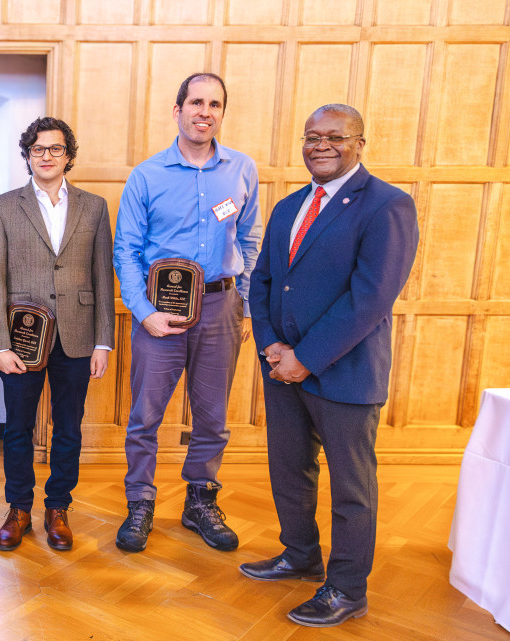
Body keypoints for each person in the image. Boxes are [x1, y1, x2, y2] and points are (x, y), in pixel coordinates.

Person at [242, 104, 418, 627]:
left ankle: (346, 588)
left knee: (351, 486)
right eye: (312, 136)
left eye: (335, 136)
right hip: (282, 369)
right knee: (288, 471)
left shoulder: (387, 205)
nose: (321, 145)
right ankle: (299, 554)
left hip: (344, 372)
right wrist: (273, 347)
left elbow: (370, 298)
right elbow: (264, 281)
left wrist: (306, 358)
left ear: (359, 142)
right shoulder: (289, 206)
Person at [112, 72, 262, 553]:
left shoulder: (242, 169)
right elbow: (126, 251)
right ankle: (140, 502)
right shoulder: (147, 175)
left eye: (214, 104)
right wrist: (143, 312)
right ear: (177, 111)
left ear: (222, 112)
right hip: (159, 312)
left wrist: (247, 307)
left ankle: (200, 500)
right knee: (145, 417)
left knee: (213, 418)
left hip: (221, 308)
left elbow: (252, 241)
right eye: (196, 102)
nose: (205, 112)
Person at [0, 117, 115, 552]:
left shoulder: (94, 207)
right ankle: (19, 508)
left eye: (55, 149)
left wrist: (103, 340)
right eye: (38, 149)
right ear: (28, 156)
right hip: (21, 338)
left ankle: (58, 507)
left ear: (68, 157)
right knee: (17, 427)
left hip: (77, 336)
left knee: (68, 428)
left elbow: (102, 275)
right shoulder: (2, 206)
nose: (46, 156)